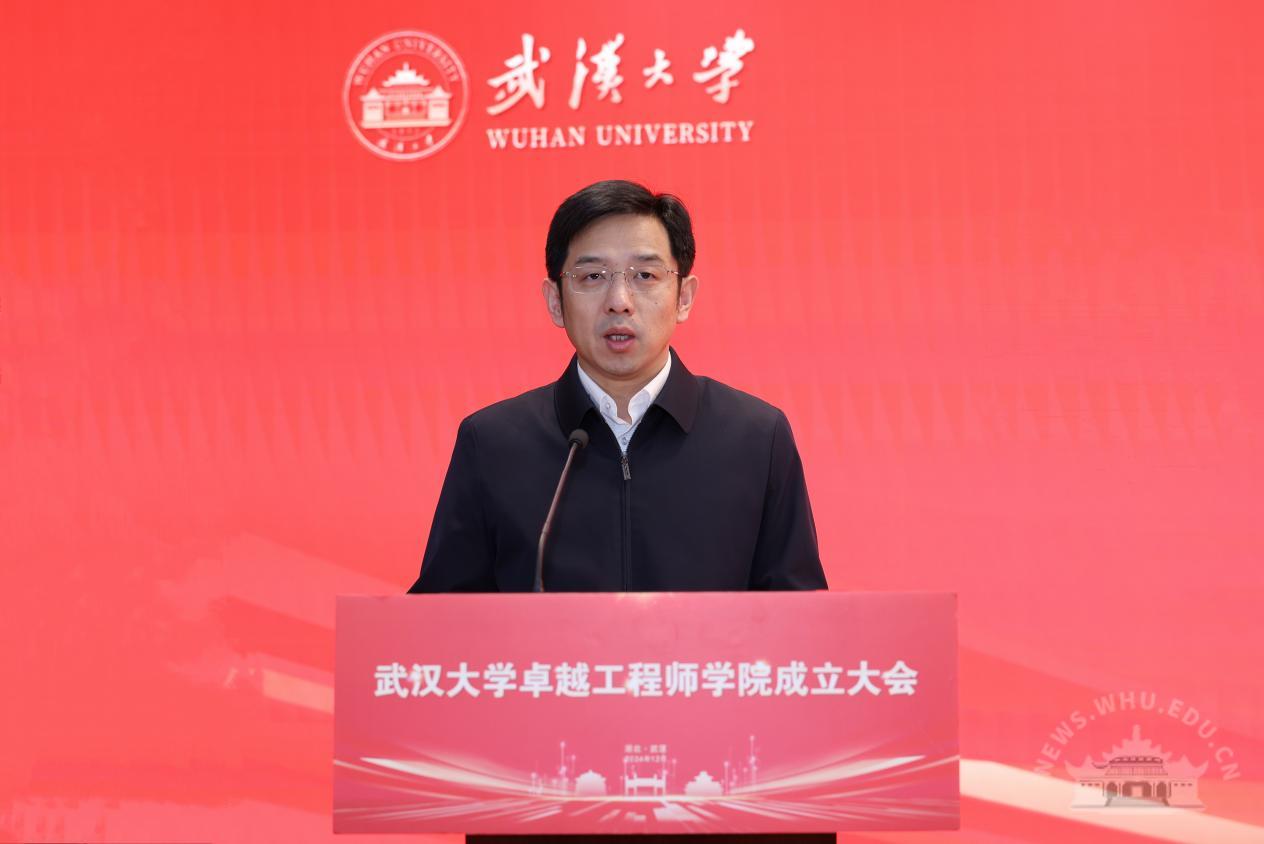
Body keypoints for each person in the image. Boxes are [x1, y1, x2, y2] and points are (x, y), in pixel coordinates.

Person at [408, 179, 826, 593]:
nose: (619, 301)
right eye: (592, 276)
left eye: (645, 275)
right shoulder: (492, 443)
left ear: (683, 297)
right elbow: (440, 618)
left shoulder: (756, 438)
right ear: (555, 301)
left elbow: (801, 616)